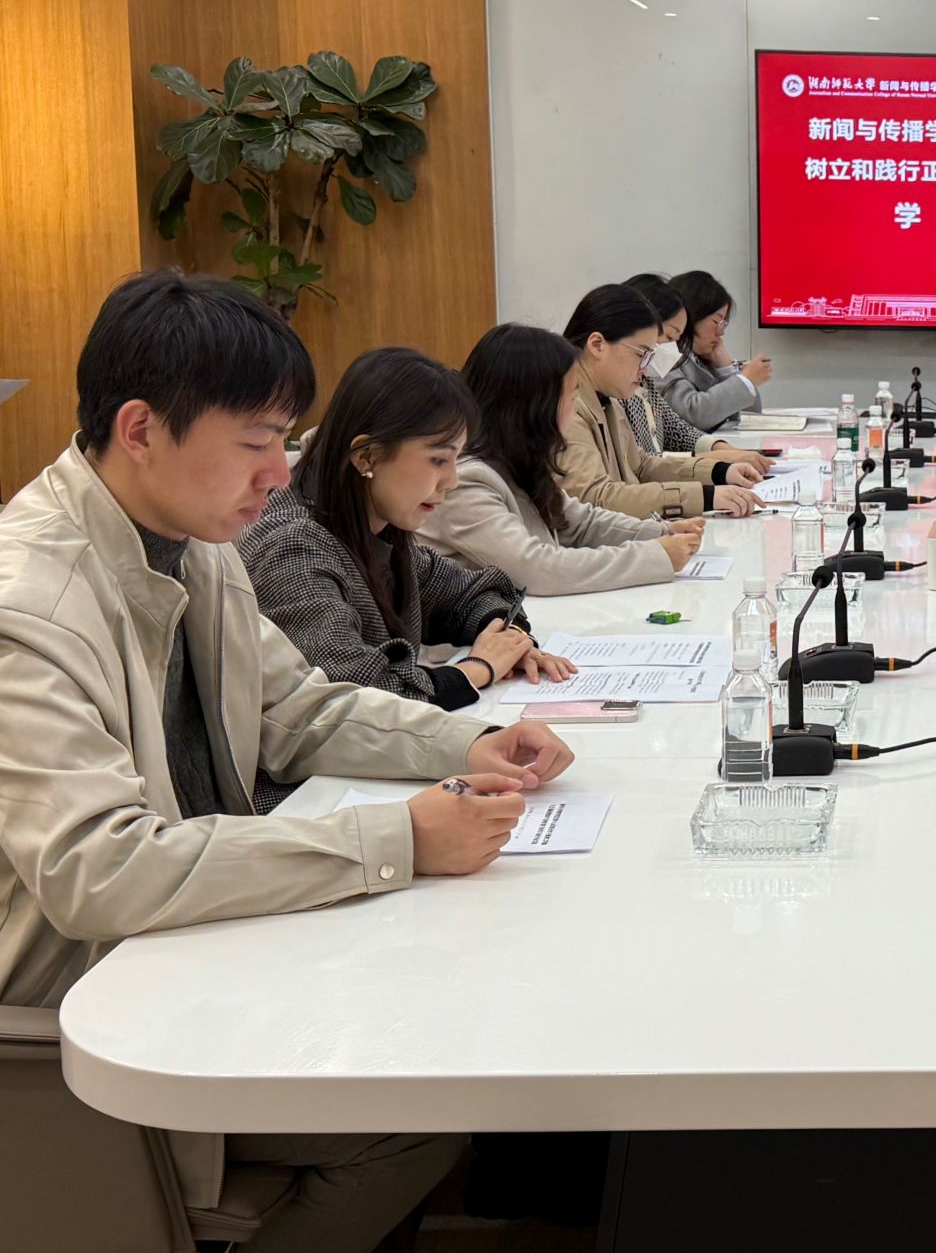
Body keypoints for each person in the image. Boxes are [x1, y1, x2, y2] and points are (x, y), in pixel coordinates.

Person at [0, 269, 575, 1253]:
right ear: (140, 429)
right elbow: (102, 867)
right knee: (415, 1112)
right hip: (82, 1011)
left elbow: (299, 710)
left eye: (285, 439)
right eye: (256, 441)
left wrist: (469, 741)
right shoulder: (28, 605)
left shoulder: (195, 543)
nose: (280, 472)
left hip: (195, 943)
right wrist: (395, 839)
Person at [243, 347, 576, 711]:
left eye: (456, 459)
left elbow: (471, 593)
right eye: (438, 460)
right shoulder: (293, 550)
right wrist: (477, 669)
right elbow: (353, 696)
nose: (451, 480)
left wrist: (511, 640)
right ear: (366, 457)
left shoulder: (377, 528)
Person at [421, 324, 707, 595]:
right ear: (535, 407)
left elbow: (580, 522)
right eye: (571, 396)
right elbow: (537, 569)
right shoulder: (466, 481)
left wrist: (657, 532)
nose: (574, 407)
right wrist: (653, 556)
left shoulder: (519, 462)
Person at [560, 283, 762, 520]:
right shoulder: (566, 406)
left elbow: (642, 466)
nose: (645, 368)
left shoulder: (607, 398)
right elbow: (596, 498)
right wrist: (705, 497)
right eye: (641, 354)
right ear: (597, 345)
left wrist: (719, 472)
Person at [619, 272, 771, 473]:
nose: (721, 331)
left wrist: (722, 450)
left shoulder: (643, 382)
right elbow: (643, 465)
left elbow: (677, 430)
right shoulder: (616, 390)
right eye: (669, 337)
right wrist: (715, 460)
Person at [659, 269, 770, 432]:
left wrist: (727, 368)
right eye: (717, 321)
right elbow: (692, 414)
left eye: (724, 324)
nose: (721, 332)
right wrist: (744, 380)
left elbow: (750, 416)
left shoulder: (702, 358)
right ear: (691, 315)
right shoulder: (662, 354)